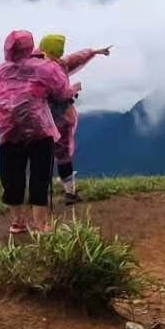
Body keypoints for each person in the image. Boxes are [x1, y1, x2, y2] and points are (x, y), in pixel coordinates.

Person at [0, 30, 72, 236]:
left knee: (10, 177)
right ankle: (41, 224)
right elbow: (61, 92)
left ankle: (18, 220)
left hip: (9, 129)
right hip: (40, 129)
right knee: (40, 176)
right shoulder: (46, 69)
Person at [35, 35, 111, 204]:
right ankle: (70, 192)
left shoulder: (33, 66)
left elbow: (76, 57)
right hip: (60, 117)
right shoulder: (59, 67)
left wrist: (94, 52)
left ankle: (37, 192)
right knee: (62, 155)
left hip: (37, 119)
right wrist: (74, 88)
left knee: (40, 154)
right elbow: (61, 93)